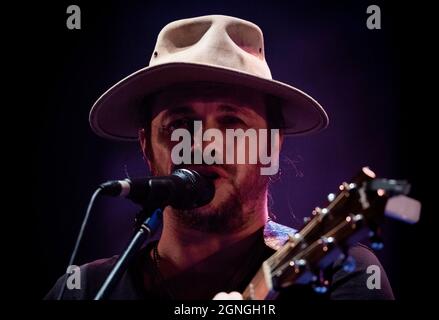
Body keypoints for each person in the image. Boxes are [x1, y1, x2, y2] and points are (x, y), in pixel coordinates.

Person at [45, 15, 394, 300]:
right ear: (146, 147)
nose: (204, 145)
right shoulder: (86, 290)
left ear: (272, 145)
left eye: (231, 122)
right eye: (181, 124)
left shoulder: (339, 273)